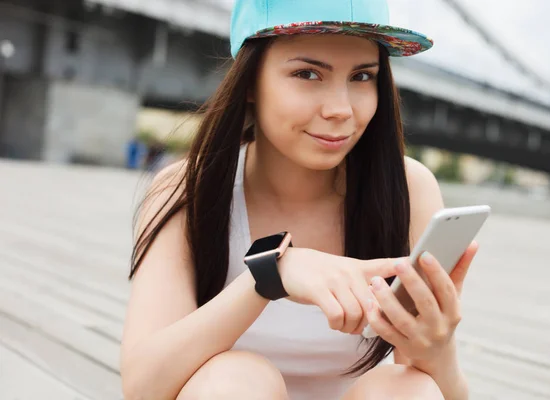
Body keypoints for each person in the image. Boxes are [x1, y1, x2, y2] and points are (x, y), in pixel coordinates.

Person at [119, 0, 479, 399]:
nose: (341, 109)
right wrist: (270, 275)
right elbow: (142, 387)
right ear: (250, 80)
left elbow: (437, 390)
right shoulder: (187, 187)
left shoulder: (408, 188)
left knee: (406, 390)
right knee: (235, 379)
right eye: (307, 73)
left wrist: (437, 349)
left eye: (362, 76)